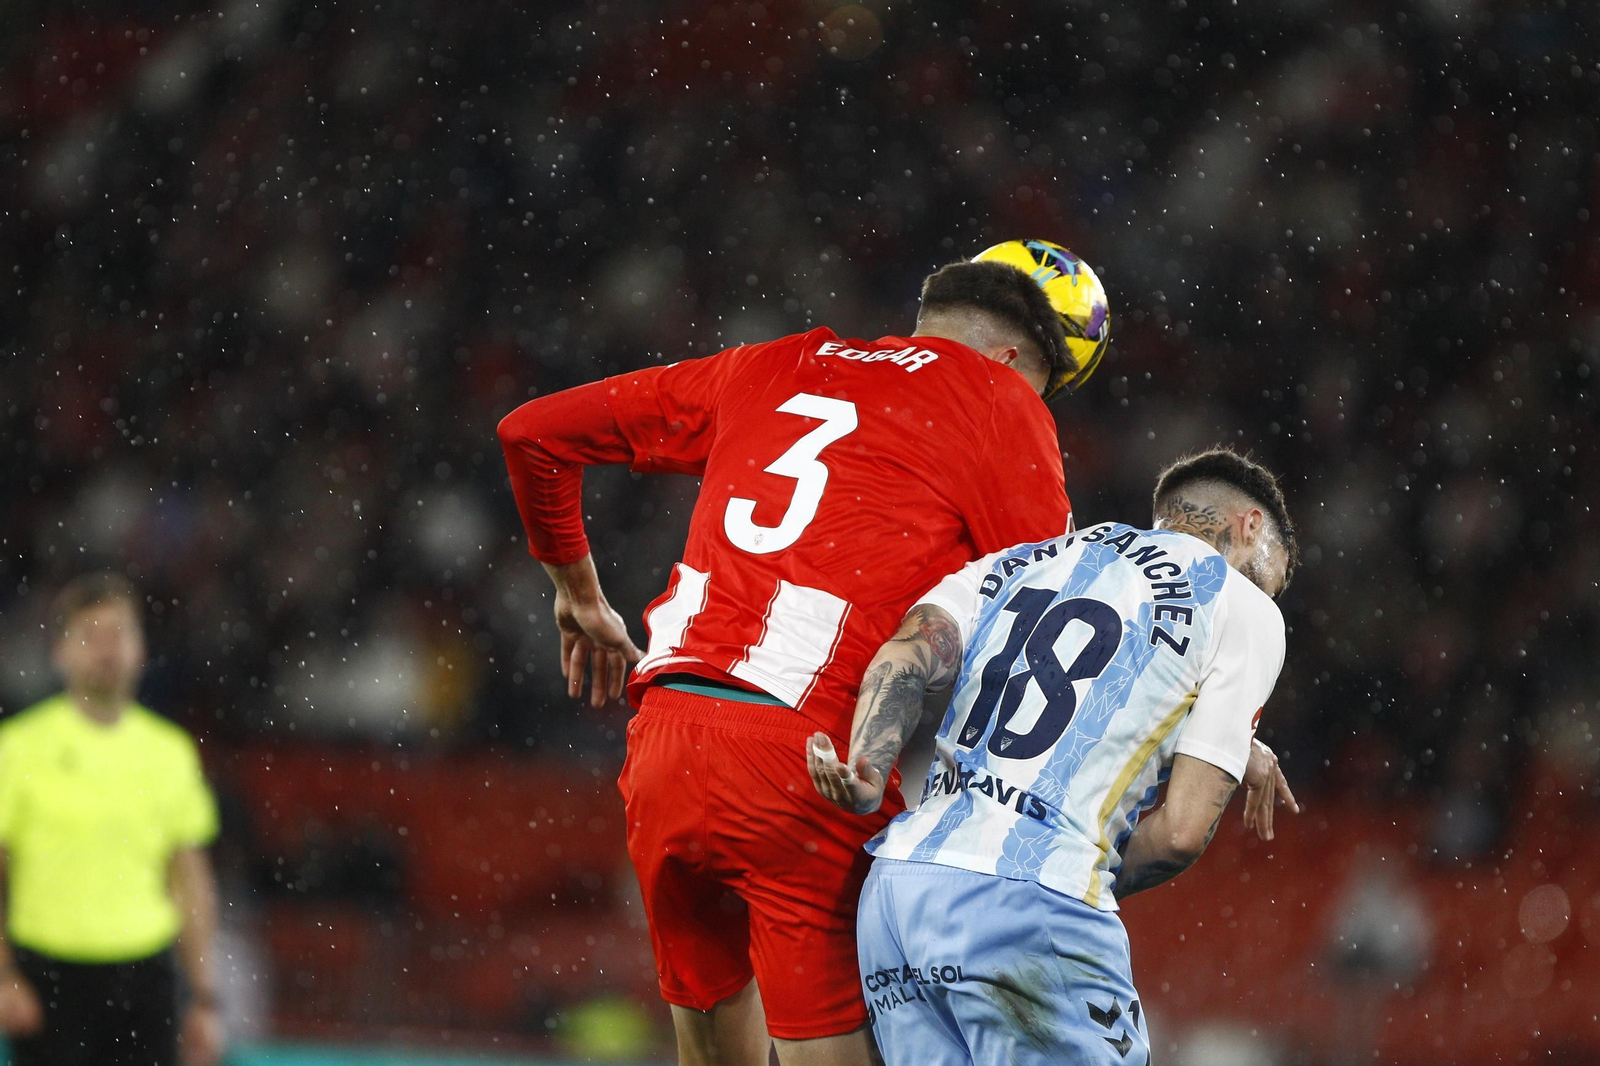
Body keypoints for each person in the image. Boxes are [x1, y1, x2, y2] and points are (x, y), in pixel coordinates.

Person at [498, 254, 1091, 1065]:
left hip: (666, 738)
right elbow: (1048, 624)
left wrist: (577, 591)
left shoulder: (769, 363)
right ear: (1021, 361)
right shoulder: (1000, 403)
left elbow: (530, 433)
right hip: (807, 766)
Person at [808, 447, 1302, 1066]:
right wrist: (1076, 871)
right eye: (1269, 578)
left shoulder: (1028, 558)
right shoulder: (1244, 606)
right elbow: (1179, 833)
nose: (1265, 593)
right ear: (1249, 526)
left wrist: (868, 767)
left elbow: (910, 653)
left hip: (899, 897)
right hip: (1030, 900)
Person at [0, 574, 224, 1066]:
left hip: (144, 975)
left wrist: (205, 998)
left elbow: (190, 879)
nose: (107, 649)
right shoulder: (17, 748)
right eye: (90, 635)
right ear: (59, 652)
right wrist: (4, 975)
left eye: (119, 633)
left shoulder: (171, 753)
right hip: (48, 977)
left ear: (141, 649)